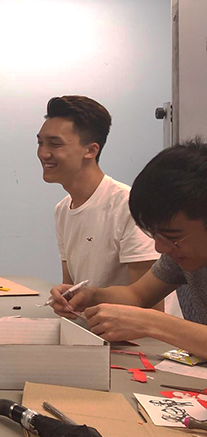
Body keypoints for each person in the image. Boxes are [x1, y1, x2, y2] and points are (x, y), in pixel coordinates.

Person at [49, 140, 207, 355]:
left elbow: (147, 313)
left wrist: (149, 323)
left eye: (172, 236)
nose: (160, 248)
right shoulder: (181, 252)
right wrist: (91, 295)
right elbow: (138, 295)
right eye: (155, 234)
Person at [37, 96, 158, 289]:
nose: (43, 153)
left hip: (130, 320)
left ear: (91, 150)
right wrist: (64, 298)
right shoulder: (62, 210)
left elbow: (148, 307)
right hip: (88, 320)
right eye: (40, 143)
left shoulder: (129, 206)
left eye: (55, 144)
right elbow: (71, 286)